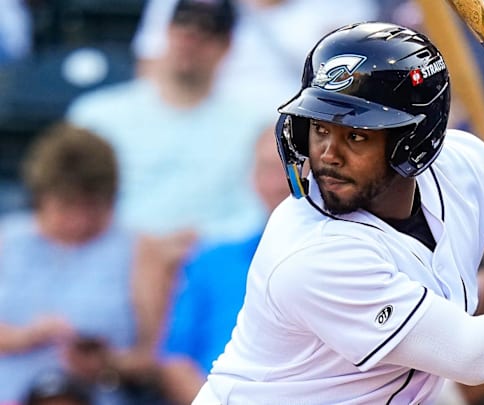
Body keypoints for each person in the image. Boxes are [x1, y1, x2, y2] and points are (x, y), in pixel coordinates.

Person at [191, 22, 484, 404]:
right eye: (320, 129)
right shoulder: (311, 252)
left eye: (356, 135)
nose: (327, 155)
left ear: (413, 142)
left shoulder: (455, 166)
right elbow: (473, 354)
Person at [0, 122, 184, 405]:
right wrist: (25, 337)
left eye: (92, 208)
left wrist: (108, 364)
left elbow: (156, 358)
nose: (79, 221)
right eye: (65, 207)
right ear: (40, 198)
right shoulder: (6, 241)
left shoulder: (140, 249)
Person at [66, 0, 271, 244]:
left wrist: (198, 242)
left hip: (206, 259)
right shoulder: (96, 115)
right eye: (182, 27)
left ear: (226, 45)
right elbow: (72, 200)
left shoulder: (254, 126)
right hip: (111, 254)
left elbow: (254, 211)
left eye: (205, 34)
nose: (189, 41)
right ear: (166, 32)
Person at [157, 123, 288, 404]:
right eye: (267, 169)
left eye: (288, 169)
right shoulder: (210, 261)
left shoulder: (345, 261)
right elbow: (174, 360)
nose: (277, 184)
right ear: (252, 178)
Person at [131, 0, 380, 110]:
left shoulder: (343, 4)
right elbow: (151, 71)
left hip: (299, 132)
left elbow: (355, 80)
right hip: (206, 124)